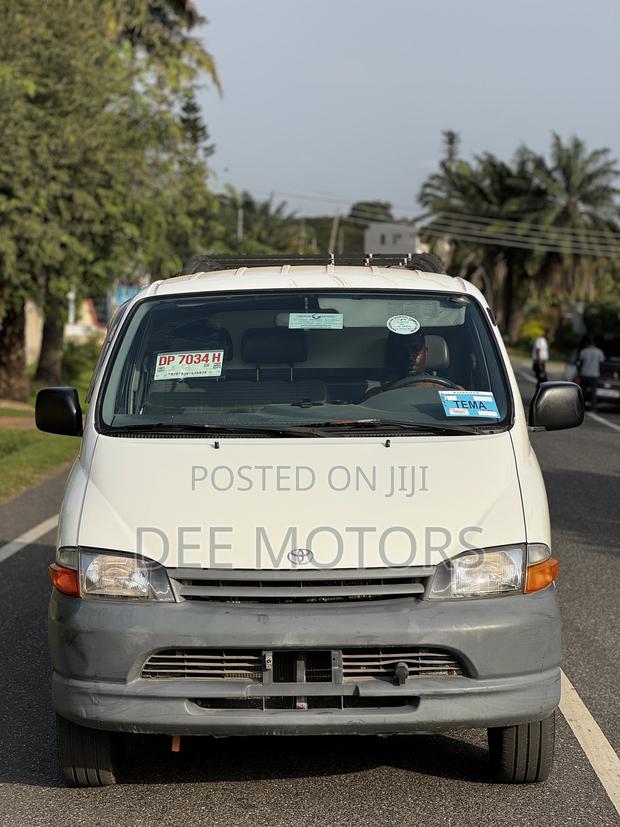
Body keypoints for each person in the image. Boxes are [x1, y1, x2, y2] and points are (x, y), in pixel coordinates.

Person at [577, 338, 605, 411]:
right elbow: (601, 364)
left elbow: (580, 363)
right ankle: (593, 408)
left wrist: (579, 373)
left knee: (583, 391)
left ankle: (582, 406)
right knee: (593, 391)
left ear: (587, 344)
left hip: (584, 373)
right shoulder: (599, 352)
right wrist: (601, 373)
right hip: (595, 374)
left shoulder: (583, 351)